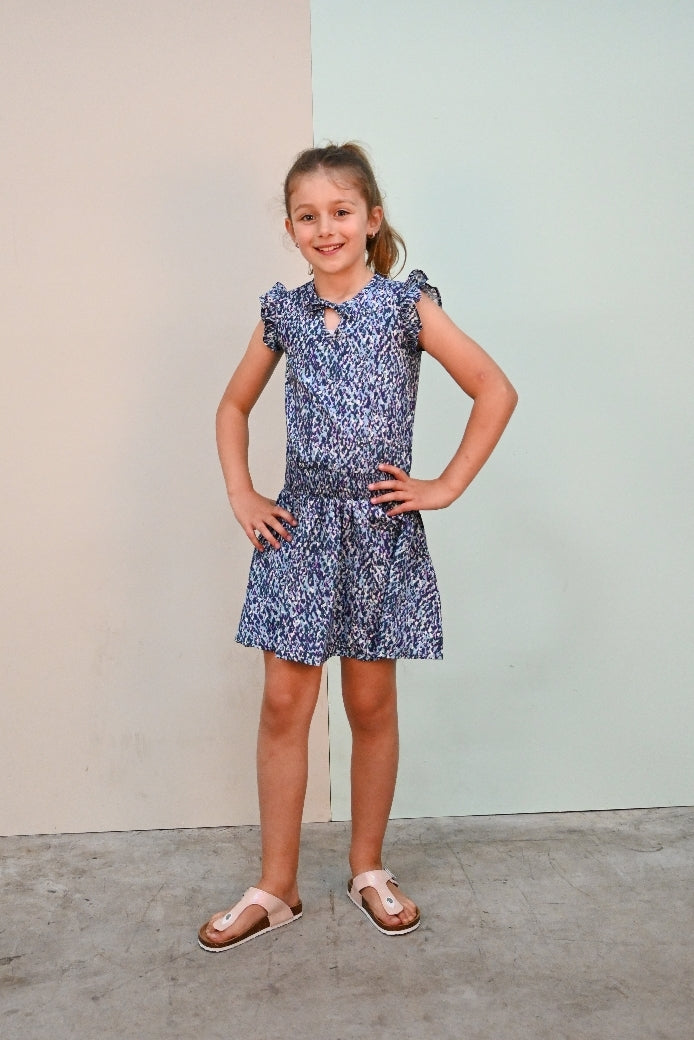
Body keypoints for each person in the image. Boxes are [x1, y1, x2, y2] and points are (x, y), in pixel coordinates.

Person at [198, 142, 517, 952]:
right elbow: (232, 407)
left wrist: (444, 485)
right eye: (307, 216)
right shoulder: (285, 314)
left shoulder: (407, 307)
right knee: (284, 705)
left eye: (340, 212)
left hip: (377, 532)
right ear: (291, 229)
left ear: (371, 219)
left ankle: (368, 867)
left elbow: (494, 388)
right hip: (300, 530)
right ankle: (276, 887)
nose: (325, 228)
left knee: (370, 705)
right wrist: (243, 492)